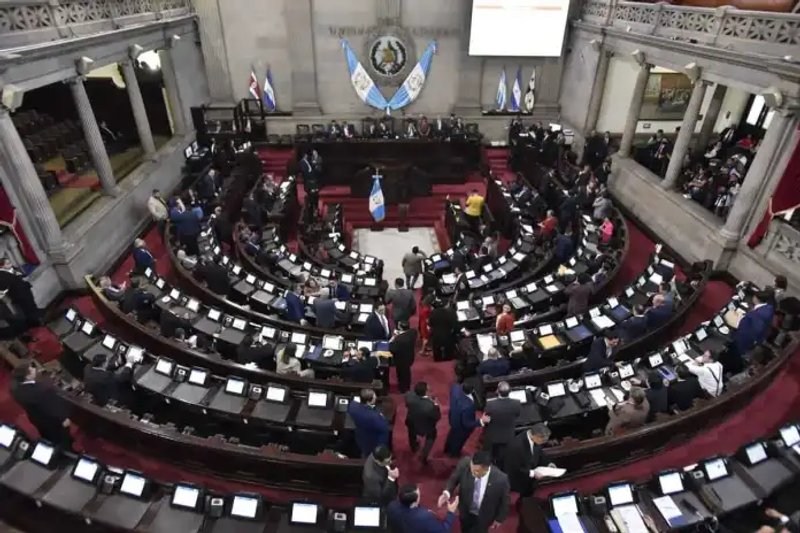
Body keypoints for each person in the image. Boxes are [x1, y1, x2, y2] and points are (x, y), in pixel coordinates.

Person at [439, 451, 510, 533]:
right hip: (465, 511)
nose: (472, 473)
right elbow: (454, 478)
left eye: (476, 471)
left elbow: (505, 501)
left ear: (486, 468)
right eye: (472, 469)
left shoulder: (501, 479)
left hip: (484, 516)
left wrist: (499, 519)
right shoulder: (465, 464)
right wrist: (447, 492)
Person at [10, 361, 73, 450]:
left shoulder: (15, 389)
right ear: (27, 376)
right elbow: (50, 407)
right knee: (62, 437)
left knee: (49, 435)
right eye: (31, 369)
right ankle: (67, 451)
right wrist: (63, 418)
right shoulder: (39, 391)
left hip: (37, 418)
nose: (34, 369)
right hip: (53, 421)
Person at [727, 290, 774, 373]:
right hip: (754, 340)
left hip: (743, 341)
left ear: (756, 299)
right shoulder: (768, 308)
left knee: (735, 355)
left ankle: (733, 369)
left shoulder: (758, 315)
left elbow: (754, 329)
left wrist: (740, 322)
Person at [505, 424, 553, 497]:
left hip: (531, 481)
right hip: (519, 483)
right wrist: (533, 473)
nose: (544, 442)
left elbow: (540, 453)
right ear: (534, 436)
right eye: (543, 440)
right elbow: (514, 468)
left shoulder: (535, 438)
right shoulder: (516, 446)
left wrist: (548, 463)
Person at [388, 483, 458, 533]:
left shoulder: (392, 506)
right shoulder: (424, 517)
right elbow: (444, 530)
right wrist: (450, 513)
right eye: (419, 495)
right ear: (415, 501)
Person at [482, 382, 521, 469]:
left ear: (497, 391)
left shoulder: (490, 404)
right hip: (509, 437)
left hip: (493, 437)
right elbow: (517, 414)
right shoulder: (517, 403)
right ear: (509, 392)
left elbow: (485, 420)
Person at [444, 382, 488, 457]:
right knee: (459, 440)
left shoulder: (455, 388)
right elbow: (467, 423)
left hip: (453, 418)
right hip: (462, 427)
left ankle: (447, 449)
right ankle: (454, 454)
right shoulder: (468, 406)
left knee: (452, 434)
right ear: (472, 391)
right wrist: (481, 421)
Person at [405, 381, 441, 465]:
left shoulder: (409, 396)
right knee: (431, 437)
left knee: (411, 433)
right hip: (426, 427)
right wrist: (436, 404)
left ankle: (413, 447)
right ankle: (424, 456)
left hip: (411, 421)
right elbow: (437, 417)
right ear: (426, 392)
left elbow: (407, 405)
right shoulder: (431, 406)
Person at [348, 389, 390, 457]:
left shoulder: (353, 407)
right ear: (369, 401)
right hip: (373, 441)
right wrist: (382, 417)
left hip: (360, 437)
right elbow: (384, 427)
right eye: (374, 397)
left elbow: (353, 403)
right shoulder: (374, 417)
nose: (376, 397)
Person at [390, 321, 418, 393]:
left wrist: (393, 339)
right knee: (407, 373)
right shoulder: (413, 332)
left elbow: (392, 349)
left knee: (402, 374)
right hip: (409, 356)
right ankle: (407, 386)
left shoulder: (399, 339)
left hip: (401, 359)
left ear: (400, 327)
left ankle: (403, 389)